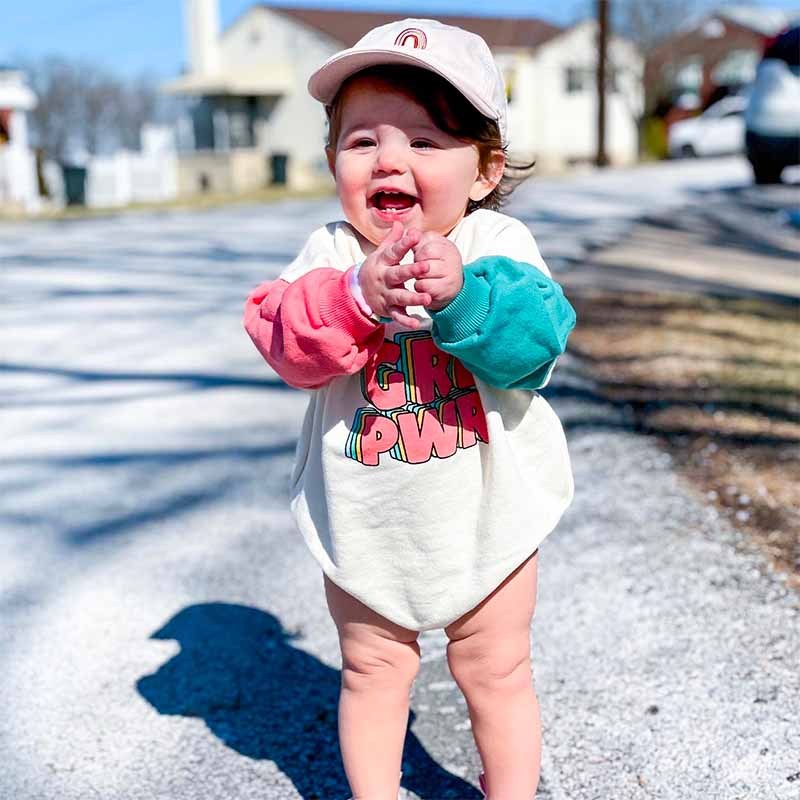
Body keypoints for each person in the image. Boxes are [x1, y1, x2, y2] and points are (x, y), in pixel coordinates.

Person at [243, 18, 576, 800]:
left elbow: (537, 345)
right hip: (367, 519)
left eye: (424, 142)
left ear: (485, 170)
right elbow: (283, 340)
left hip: (490, 513)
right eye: (362, 141)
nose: (389, 160)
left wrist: (465, 298)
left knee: (496, 667)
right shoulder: (332, 255)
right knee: (371, 668)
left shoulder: (498, 245)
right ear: (333, 160)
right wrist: (355, 300)